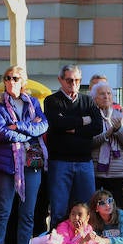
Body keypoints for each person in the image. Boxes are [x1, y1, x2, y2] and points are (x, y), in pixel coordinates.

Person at [0, 66, 48, 244]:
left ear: (24, 81)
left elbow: (43, 126)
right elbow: (1, 132)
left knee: (28, 212)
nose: (11, 81)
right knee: (3, 210)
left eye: (16, 78)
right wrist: (28, 131)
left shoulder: (34, 103)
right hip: (6, 165)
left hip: (31, 164)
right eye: (8, 78)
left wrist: (19, 127)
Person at [44, 64, 99, 227]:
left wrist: (72, 128)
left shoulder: (88, 101)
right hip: (60, 162)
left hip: (84, 162)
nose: (73, 83)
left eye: (77, 80)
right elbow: (57, 124)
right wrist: (83, 121)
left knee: (86, 208)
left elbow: (97, 126)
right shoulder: (51, 101)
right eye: (69, 80)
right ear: (60, 80)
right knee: (59, 209)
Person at [90, 82, 123, 205]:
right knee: (97, 209)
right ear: (94, 98)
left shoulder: (119, 116)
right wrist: (106, 134)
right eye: (102, 94)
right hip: (96, 172)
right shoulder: (90, 116)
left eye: (109, 93)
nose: (106, 96)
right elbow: (88, 143)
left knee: (118, 209)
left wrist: (119, 130)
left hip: (117, 172)